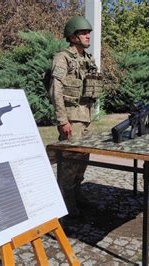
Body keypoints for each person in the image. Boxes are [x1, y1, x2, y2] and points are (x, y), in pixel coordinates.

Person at [49, 16, 103, 217]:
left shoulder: (87, 58)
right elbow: (56, 90)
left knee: (82, 160)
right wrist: (62, 120)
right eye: (83, 32)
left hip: (85, 117)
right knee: (69, 162)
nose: (88, 35)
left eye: (88, 32)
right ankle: (64, 202)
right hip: (71, 118)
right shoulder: (62, 58)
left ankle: (77, 194)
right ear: (72, 36)